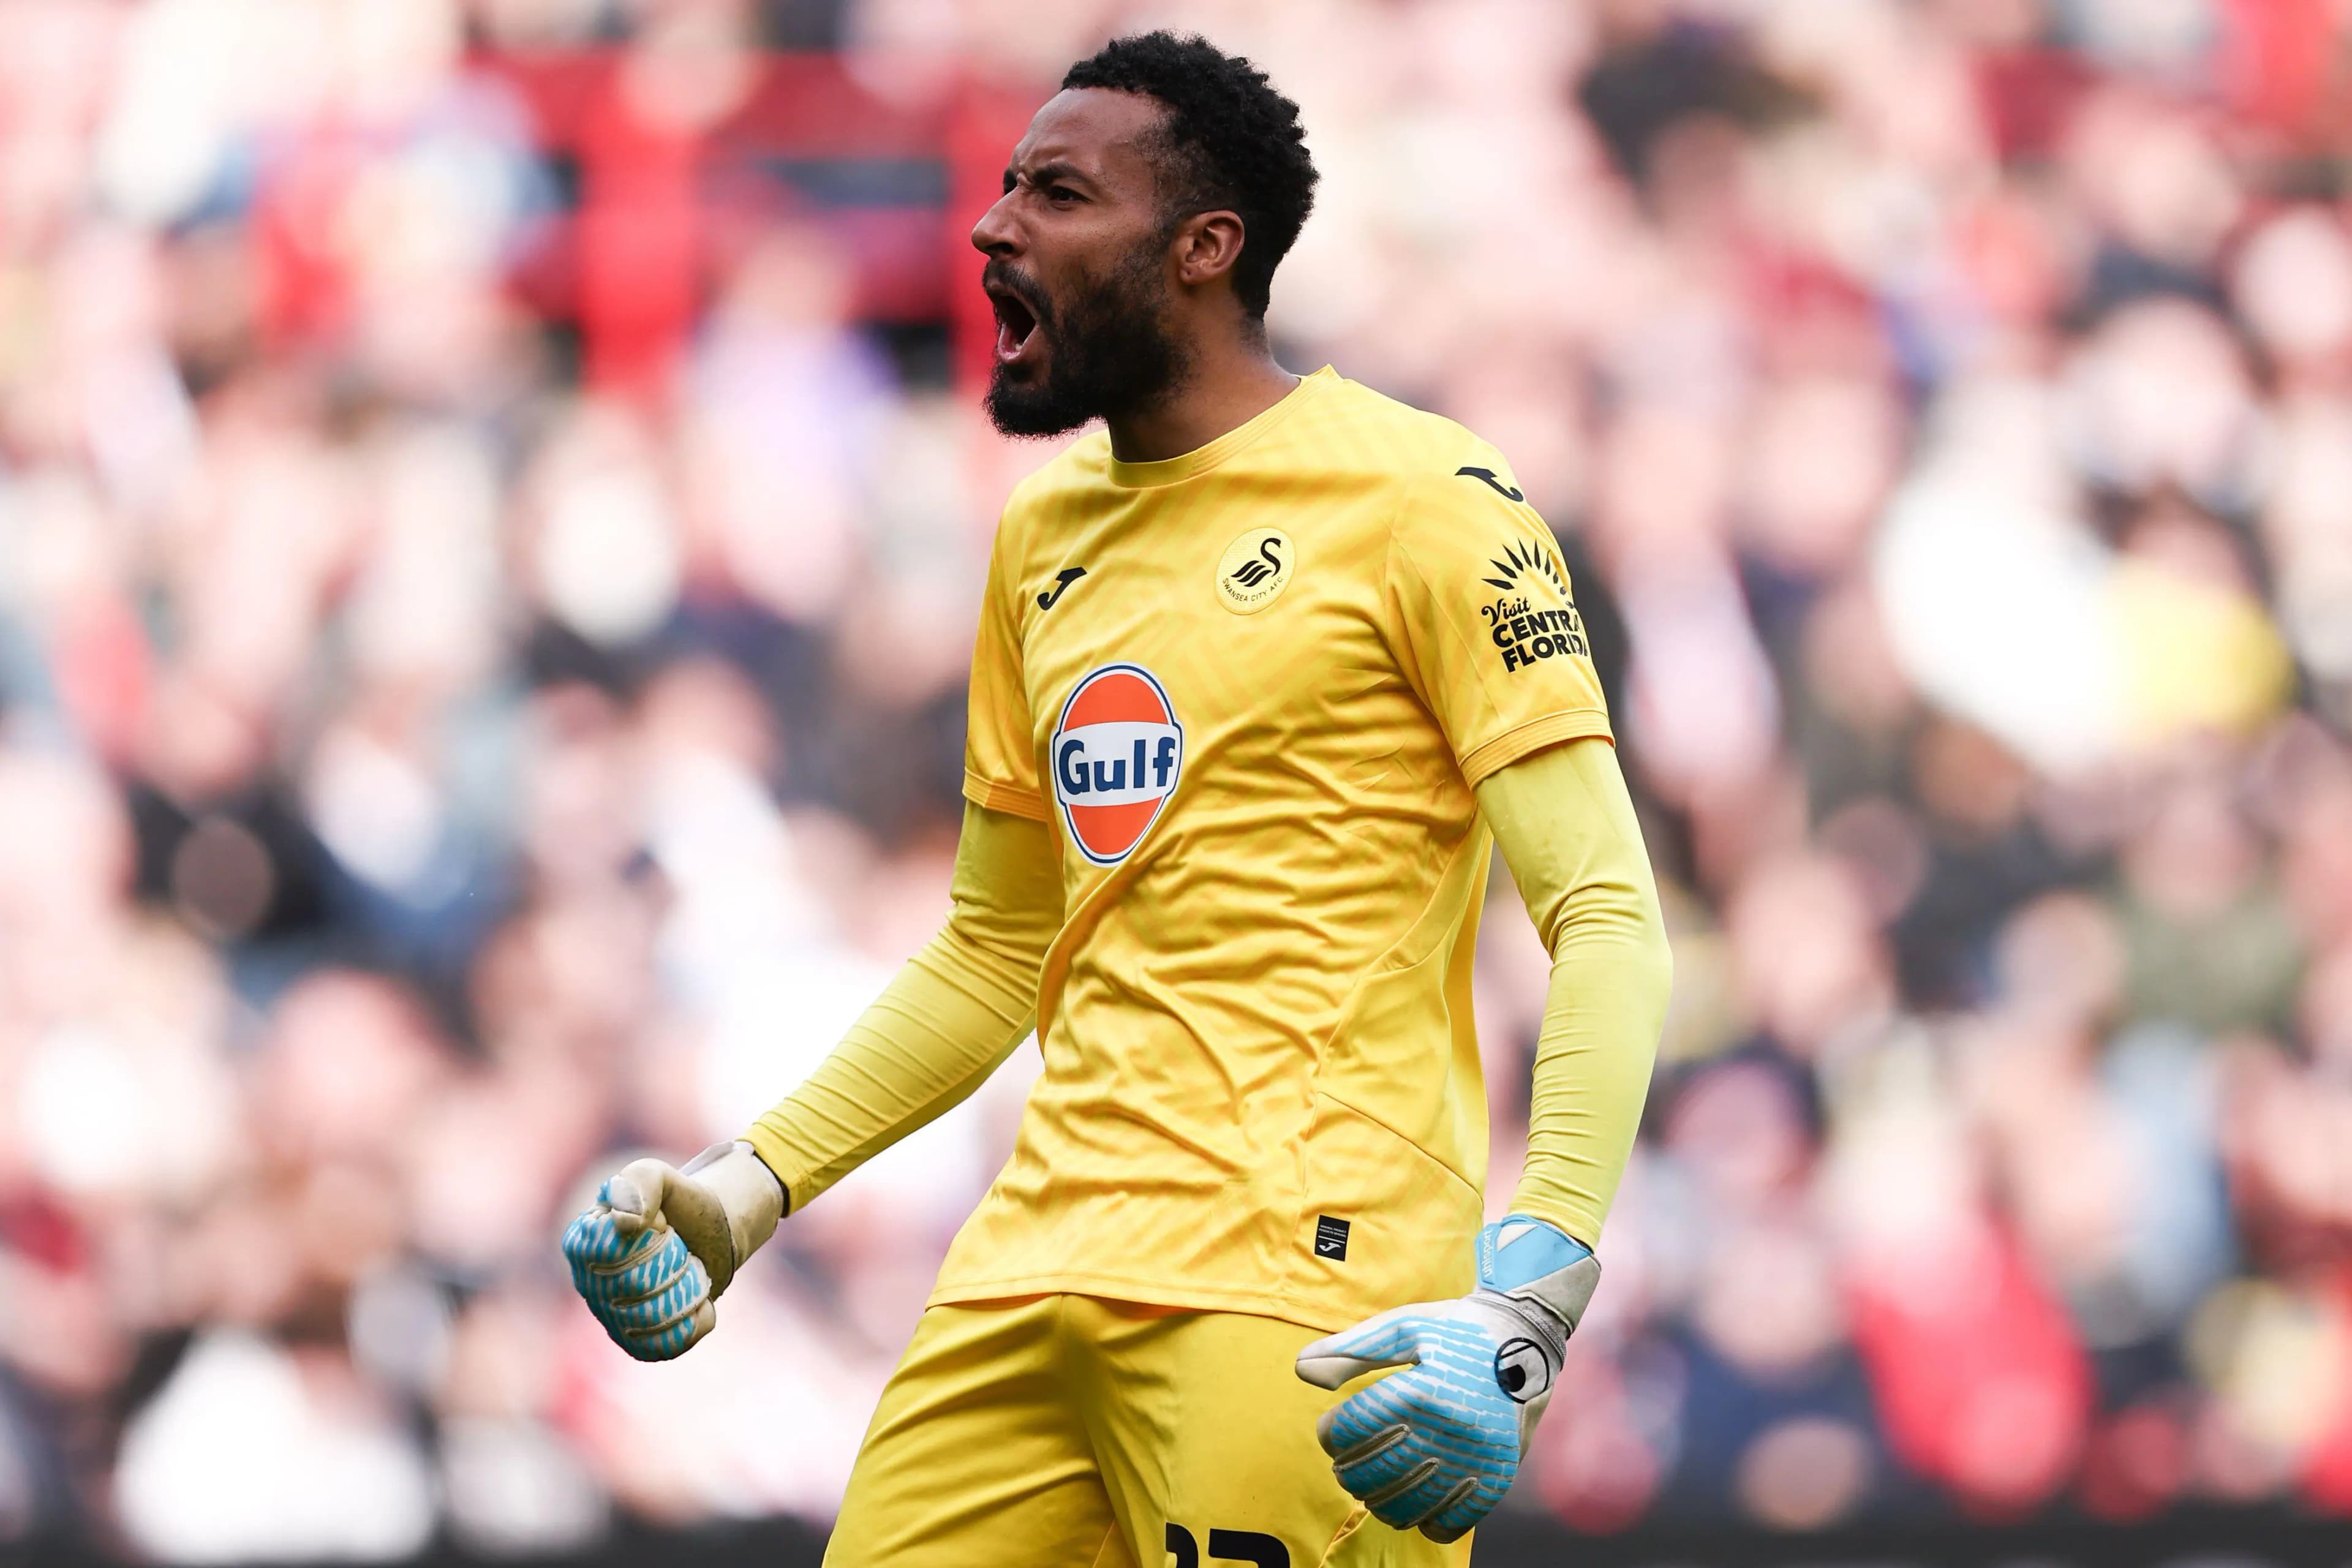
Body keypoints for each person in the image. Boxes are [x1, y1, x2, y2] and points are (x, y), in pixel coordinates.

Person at [562, 31, 1672, 1567]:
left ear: (1204, 248)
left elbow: (1606, 910)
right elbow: (993, 952)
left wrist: (1531, 1291)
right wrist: (756, 1179)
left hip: (1302, 1283)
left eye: (1060, 195)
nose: (993, 225)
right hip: (1030, 1267)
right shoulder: (1043, 540)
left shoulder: (1428, 501)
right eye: (1006, 185)